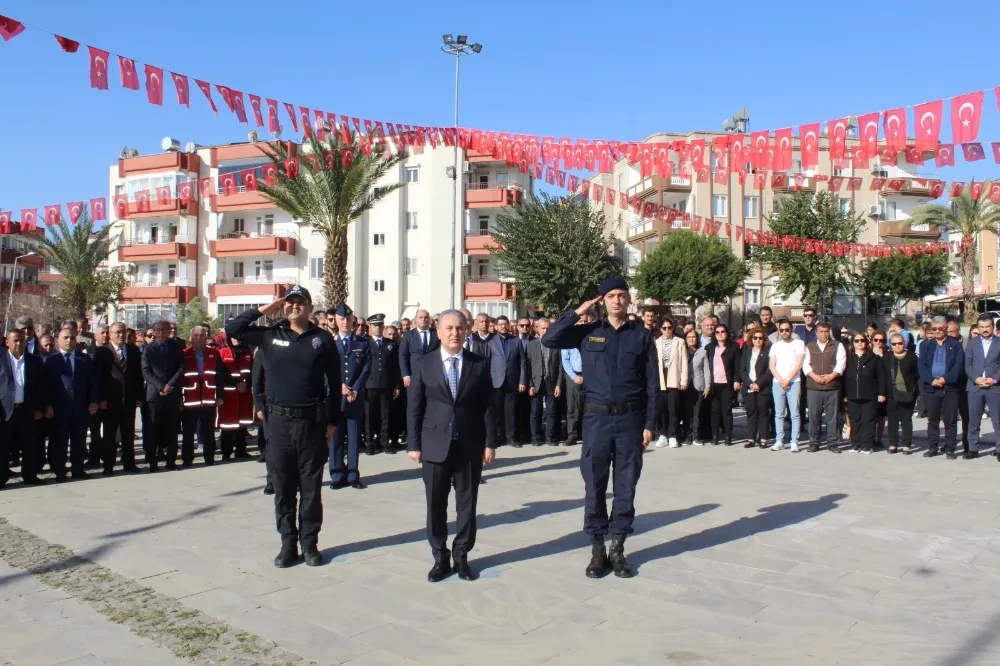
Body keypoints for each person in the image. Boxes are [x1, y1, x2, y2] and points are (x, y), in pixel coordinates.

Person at [543, 276, 658, 579]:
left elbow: (652, 384)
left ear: (629, 299)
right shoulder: (588, 332)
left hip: (630, 421)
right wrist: (577, 312)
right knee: (594, 484)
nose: (617, 300)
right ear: (602, 301)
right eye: (610, 296)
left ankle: (618, 549)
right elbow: (549, 339)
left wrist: (650, 424)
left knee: (626, 485)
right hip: (596, 420)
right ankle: (597, 550)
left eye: (621, 295)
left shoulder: (642, 336)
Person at [226, 286, 341, 568]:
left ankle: (310, 544)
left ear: (310, 307)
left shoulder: (322, 339)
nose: (294, 307)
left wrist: (332, 422)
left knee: (311, 489)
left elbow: (335, 384)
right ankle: (288, 544)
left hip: (311, 424)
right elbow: (233, 327)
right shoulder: (269, 335)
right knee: (283, 487)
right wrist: (266, 309)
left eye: (300, 302)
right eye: (290, 303)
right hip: (278, 425)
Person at [406, 310, 497, 582]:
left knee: (467, 506)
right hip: (434, 445)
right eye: (449, 328)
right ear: (438, 331)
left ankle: (461, 557)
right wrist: (413, 444)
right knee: (435, 505)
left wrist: (490, 442)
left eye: (459, 328)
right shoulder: (425, 363)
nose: (454, 333)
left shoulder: (478, 363)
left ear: (467, 330)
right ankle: (439, 557)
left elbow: (488, 407)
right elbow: (415, 407)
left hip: (469, 445)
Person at [43, 323, 99, 481]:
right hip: (59, 408)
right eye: (65, 338)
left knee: (79, 441)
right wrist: (47, 405)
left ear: (76, 340)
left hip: (80, 407)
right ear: (57, 340)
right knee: (60, 441)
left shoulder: (85, 359)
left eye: (72, 338)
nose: (69, 340)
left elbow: (93, 382)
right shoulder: (51, 361)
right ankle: (60, 471)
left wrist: (94, 400)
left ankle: (78, 470)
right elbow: (45, 385)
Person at [328, 304, 371, 488]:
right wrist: (340, 386)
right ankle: (337, 475)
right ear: (336, 321)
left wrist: (355, 388)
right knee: (336, 437)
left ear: (353, 320)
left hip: (355, 397)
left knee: (353, 438)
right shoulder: (329, 343)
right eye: (341, 319)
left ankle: (353, 475)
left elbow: (366, 368)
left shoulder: (362, 343)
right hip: (336, 399)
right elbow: (324, 370)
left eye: (348, 319)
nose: (345, 322)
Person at [95, 322, 143, 475]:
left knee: (128, 433)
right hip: (110, 400)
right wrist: (100, 399)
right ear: (110, 334)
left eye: (123, 332)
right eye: (117, 332)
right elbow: (98, 378)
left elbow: (137, 376)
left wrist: (138, 396)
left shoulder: (133, 351)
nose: (121, 335)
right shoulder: (102, 352)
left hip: (128, 399)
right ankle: (108, 466)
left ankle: (129, 463)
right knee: (109, 435)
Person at [1, 329, 45, 486]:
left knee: (29, 444)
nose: (18, 343)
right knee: (3, 445)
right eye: (15, 340)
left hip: (27, 410)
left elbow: (40, 387)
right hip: (6, 411)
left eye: (21, 340)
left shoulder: (34, 360)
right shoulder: (1, 359)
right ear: (7, 342)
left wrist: (40, 408)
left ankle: (30, 476)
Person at [917, 317, 964, 459]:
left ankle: (950, 448)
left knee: (950, 420)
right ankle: (933, 447)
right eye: (934, 329)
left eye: (941, 329)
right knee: (933, 419)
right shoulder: (926, 345)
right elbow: (922, 366)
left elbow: (958, 365)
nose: (937, 331)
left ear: (946, 329)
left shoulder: (955, 345)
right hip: (931, 388)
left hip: (949, 387)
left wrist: (946, 379)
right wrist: (931, 380)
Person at [141, 320, 185, 471]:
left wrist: (169, 385)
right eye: (158, 330)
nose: (161, 332)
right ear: (154, 332)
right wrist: (161, 386)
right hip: (154, 395)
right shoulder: (148, 349)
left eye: (164, 329)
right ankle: (153, 462)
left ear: (168, 331)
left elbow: (181, 368)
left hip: (172, 393)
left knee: (173, 428)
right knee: (153, 428)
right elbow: (146, 371)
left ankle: (171, 461)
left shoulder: (176, 346)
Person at [180, 326, 226, 466]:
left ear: (206, 337)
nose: (199, 337)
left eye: (202, 335)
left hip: (208, 398)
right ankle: (187, 459)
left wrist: (220, 396)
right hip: (189, 399)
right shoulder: (183, 354)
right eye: (196, 335)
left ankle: (209, 458)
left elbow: (220, 377)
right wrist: (179, 400)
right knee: (188, 432)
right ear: (190, 338)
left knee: (208, 430)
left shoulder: (214, 354)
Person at [804, 322, 846, 453]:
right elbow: (805, 364)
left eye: (826, 331)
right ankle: (814, 442)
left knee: (832, 417)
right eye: (821, 331)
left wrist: (830, 376)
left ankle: (833, 443)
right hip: (814, 386)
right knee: (814, 416)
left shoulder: (838, 345)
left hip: (832, 386)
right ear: (816, 333)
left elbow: (841, 363)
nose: (823, 334)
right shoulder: (810, 346)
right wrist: (814, 376)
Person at [487, 316, 527, 447]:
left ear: (509, 325)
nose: (503, 326)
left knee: (511, 412)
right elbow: (487, 363)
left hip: (512, 381)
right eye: (500, 324)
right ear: (496, 326)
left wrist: (522, 381)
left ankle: (511, 437)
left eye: (505, 324)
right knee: (497, 412)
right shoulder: (491, 342)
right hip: (496, 382)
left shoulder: (516, 341)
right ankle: (499, 437)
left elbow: (522, 362)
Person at [964, 314, 1000, 461]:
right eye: (982, 327)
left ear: (992, 327)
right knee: (973, 420)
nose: (985, 330)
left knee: (997, 421)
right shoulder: (971, 343)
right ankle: (973, 449)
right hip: (975, 387)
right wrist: (976, 378)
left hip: (994, 387)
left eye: (987, 327)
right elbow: (968, 364)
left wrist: (994, 379)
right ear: (978, 328)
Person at [843, 334, 886, 454]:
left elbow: (881, 377)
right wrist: (843, 394)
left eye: (862, 340)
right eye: (856, 341)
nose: (859, 343)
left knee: (868, 420)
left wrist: (881, 393)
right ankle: (855, 444)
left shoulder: (873, 358)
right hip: (852, 395)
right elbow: (844, 376)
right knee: (855, 420)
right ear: (853, 343)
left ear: (866, 343)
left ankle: (867, 445)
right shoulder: (847, 357)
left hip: (869, 395)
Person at [365, 314, 400, 455]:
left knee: (385, 415)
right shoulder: (365, 343)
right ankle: (369, 443)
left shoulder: (390, 344)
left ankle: (384, 442)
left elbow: (395, 367)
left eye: (380, 325)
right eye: (375, 325)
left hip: (386, 384)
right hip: (370, 384)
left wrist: (397, 385)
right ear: (370, 327)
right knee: (370, 416)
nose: (378, 328)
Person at [769, 321, 806, 452]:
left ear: (791, 330)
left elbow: (799, 363)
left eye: (787, 329)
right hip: (777, 382)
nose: (784, 332)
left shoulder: (799, 344)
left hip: (794, 382)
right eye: (782, 330)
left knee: (794, 413)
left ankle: (794, 441)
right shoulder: (775, 345)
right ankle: (779, 440)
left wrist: (788, 379)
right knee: (778, 413)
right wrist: (780, 380)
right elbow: (772, 365)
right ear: (779, 331)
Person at [527, 317, 564, 446]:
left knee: (551, 411)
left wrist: (559, 384)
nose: (546, 330)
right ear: (537, 329)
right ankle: (535, 437)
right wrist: (530, 384)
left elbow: (560, 366)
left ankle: (550, 437)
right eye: (543, 328)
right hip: (537, 382)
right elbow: (527, 365)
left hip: (552, 382)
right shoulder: (531, 345)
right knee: (535, 412)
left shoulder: (556, 344)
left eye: (548, 328)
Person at [653, 316, 687, 448]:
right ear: (661, 329)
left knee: (673, 409)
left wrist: (683, 380)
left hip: (674, 377)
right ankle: (662, 434)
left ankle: (673, 435)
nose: (667, 330)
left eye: (669, 328)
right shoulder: (656, 342)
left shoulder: (679, 341)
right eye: (664, 328)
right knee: (662, 409)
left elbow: (684, 362)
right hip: (661, 378)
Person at [704, 324, 740, 446]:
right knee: (715, 411)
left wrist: (736, 380)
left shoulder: (734, 347)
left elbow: (737, 366)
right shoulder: (710, 347)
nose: (720, 334)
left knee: (727, 411)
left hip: (727, 384)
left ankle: (728, 436)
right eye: (717, 332)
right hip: (714, 384)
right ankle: (715, 436)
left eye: (722, 331)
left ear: (727, 333)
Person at [884, 332, 919, 455]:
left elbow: (917, 376)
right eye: (894, 344)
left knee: (906, 420)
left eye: (900, 343)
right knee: (892, 420)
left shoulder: (912, 357)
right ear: (890, 345)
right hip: (891, 393)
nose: (897, 346)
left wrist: (916, 393)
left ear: (904, 343)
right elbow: (883, 376)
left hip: (907, 392)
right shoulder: (887, 357)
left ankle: (906, 445)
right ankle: (893, 444)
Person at [740, 325, 772, 449]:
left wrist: (758, 383)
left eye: (760, 338)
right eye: (755, 338)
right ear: (751, 339)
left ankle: (763, 438)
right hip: (749, 387)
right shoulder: (746, 351)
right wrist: (749, 383)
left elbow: (769, 371)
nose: (758, 340)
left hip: (762, 387)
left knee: (763, 413)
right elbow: (742, 370)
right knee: (751, 413)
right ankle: (751, 438)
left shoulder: (767, 352)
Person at [559, 312, 589, 447]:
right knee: (572, 407)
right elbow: (565, 361)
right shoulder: (568, 339)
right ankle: (572, 435)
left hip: (589, 376)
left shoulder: (591, 338)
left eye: (585, 322)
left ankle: (586, 434)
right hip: (573, 376)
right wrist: (574, 376)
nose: (583, 324)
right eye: (580, 322)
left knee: (588, 407)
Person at [683, 329, 710, 446]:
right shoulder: (682, 351)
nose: (691, 339)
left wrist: (707, 386)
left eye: (693, 337)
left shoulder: (702, 352)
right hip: (685, 385)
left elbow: (706, 371)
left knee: (696, 413)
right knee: (686, 413)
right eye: (689, 337)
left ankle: (695, 437)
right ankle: (686, 436)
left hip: (698, 385)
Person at [400, 310, 438, 389]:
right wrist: (405, 375)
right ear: (415, 319)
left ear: (429, 320)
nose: (423, 319)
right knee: (414, 400)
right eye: (420, 317)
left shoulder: (436, 334)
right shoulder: (408, 335)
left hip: (432, 376)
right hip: (413, 376)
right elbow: (403, 355)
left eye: (426, 317)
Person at [948, 320, 971, 452]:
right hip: (950, 385)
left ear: (958, 331)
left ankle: (967, 442)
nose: (950, 334)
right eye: (948, 331)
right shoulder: (944, 343)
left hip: (965, 384)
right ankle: (950, 442)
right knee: (950, 416)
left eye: (953, 331)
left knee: (965, 416)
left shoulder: (968, 343)